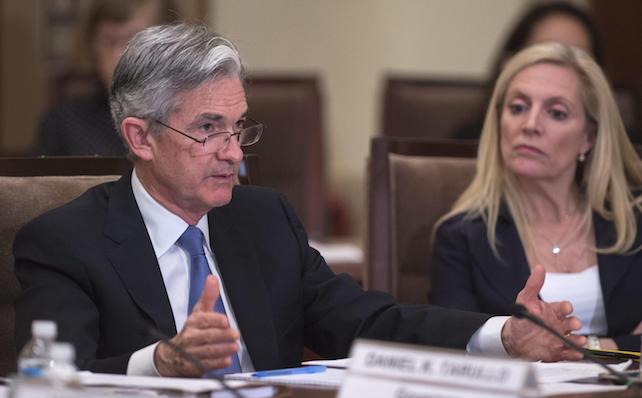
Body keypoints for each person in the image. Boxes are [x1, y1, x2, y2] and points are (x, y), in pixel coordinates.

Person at [15, 24, 583, 377]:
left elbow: (368, 320)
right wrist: (160, 363)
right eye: (209, 129)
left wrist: (501, 334)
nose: (233, 154)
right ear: (140, 137)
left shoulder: (263, 220)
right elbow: (53, 385)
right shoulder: (66, 242)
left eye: (239, 128)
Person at [431, 42, 642, 352]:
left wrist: (581, 347)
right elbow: (455, 346)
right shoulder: (460, 236)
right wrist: (620, 344)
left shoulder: (634, 220)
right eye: (518, 108)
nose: (530, 125)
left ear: (589, 137)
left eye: (556, 113)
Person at [34, 0, 175, 156]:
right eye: (108, 41)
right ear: (92, 46)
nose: (118, 56)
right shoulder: (64, 123)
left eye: (133, 40)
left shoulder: (192, 118)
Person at [455, 1, 603, 140]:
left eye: (557, 114)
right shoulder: (466, 143)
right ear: (508, 64)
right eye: (545, 54)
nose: (531, 126)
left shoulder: (620, 155)